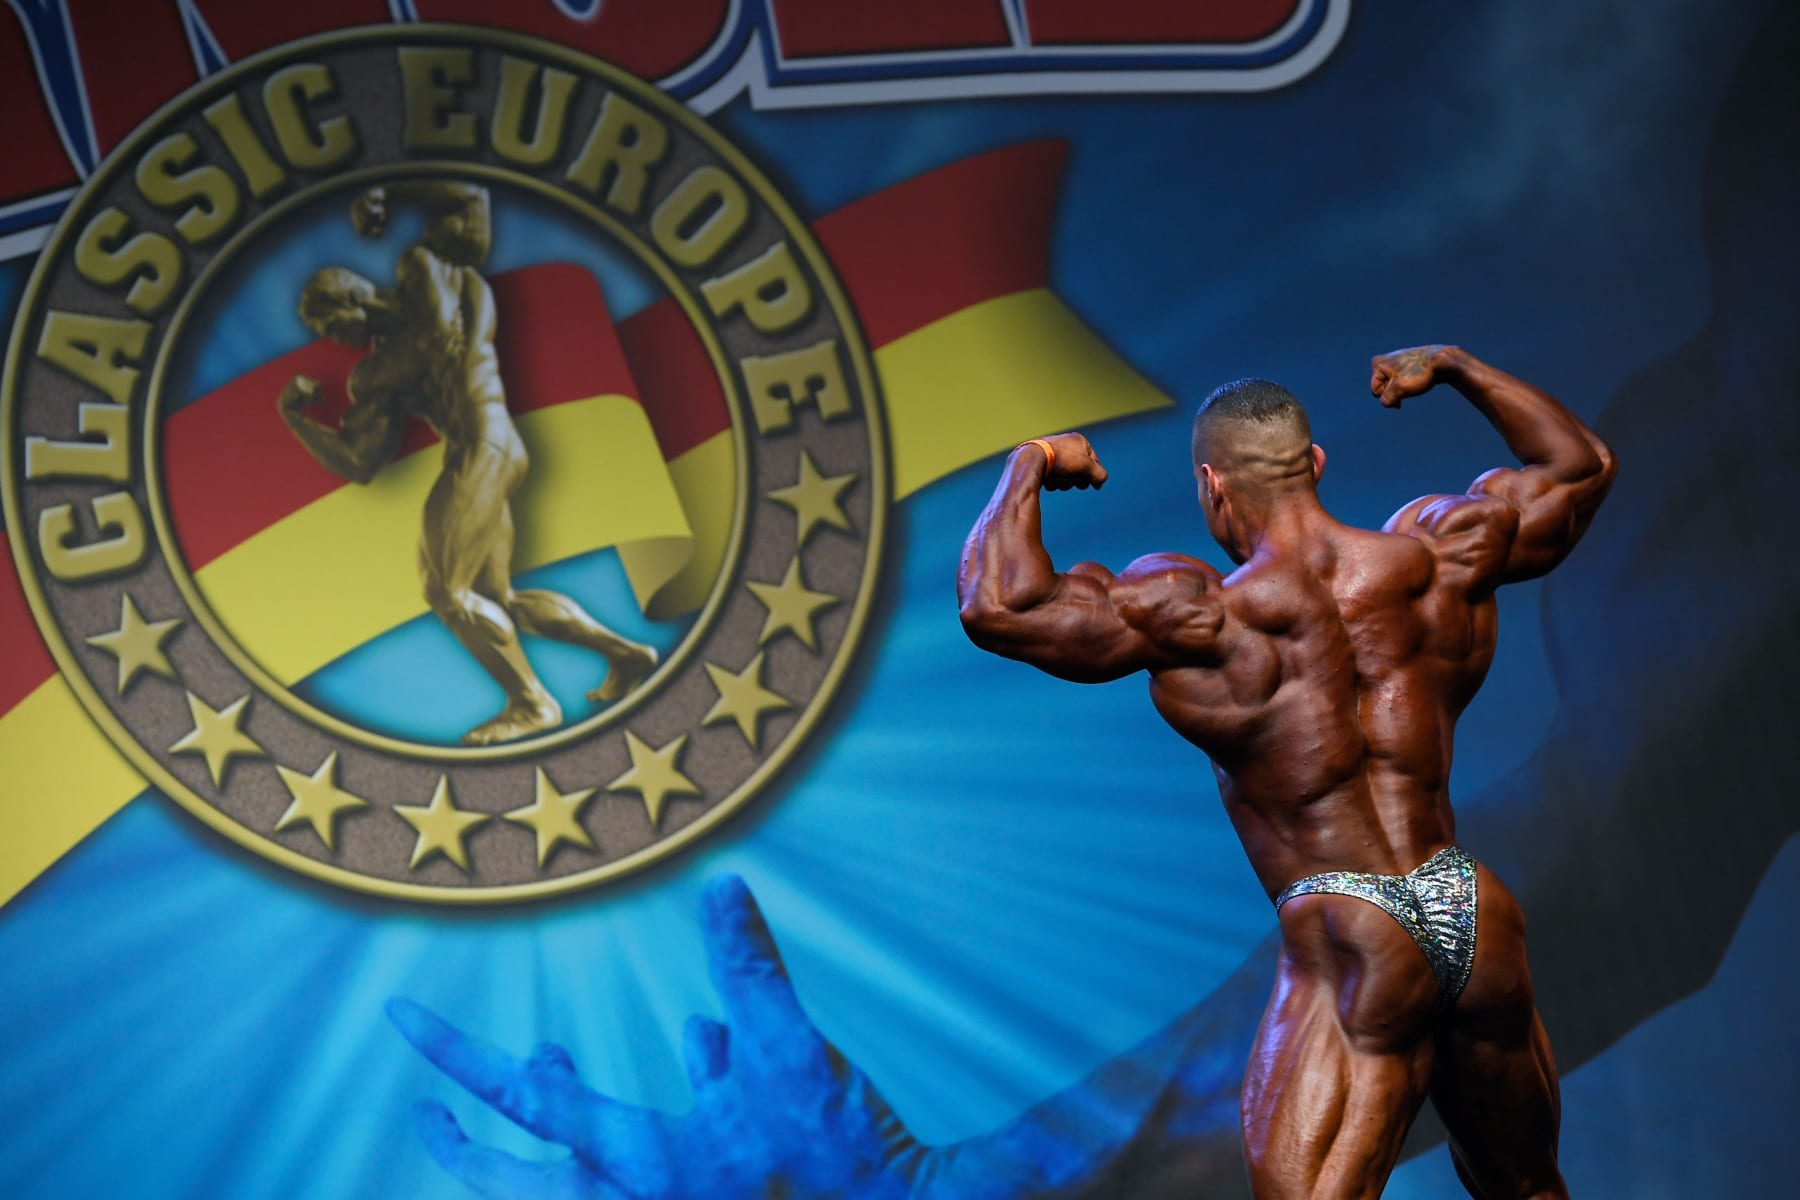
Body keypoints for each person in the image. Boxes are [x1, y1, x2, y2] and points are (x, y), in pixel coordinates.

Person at [953, 346, 1616, 1196]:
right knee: (1530, 1189)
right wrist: (1456, 367)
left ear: (1212, 486)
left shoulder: (1205, 615)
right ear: (1316, 463)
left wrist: (1034, 460)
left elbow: (999, 604)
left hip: (1352, 928)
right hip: (1465, 903)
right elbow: (1580, 467)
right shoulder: (1437, 557)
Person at [277, 181, 657, 745]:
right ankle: (626, 654)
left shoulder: (427, 272)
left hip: (487, 441)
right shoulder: (375, 374)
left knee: (449, 594)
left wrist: (391, 197)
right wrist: (295, 418)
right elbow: (359, 462)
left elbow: (472, 203)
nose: (335, 339)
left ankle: (532, 703)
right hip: (474, 453)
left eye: (331, 324)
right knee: (497, 599)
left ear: (351, 296)